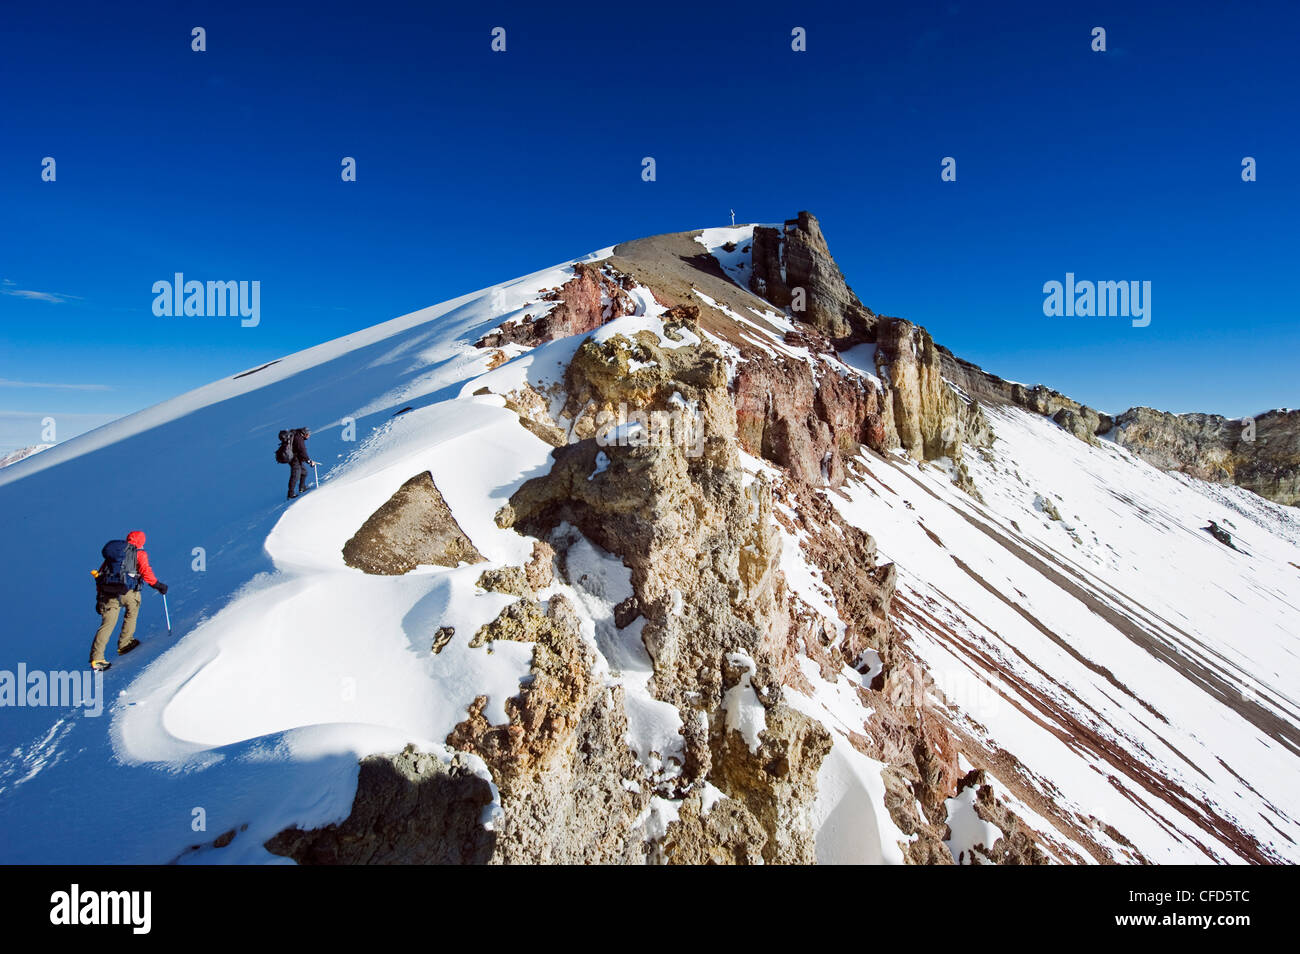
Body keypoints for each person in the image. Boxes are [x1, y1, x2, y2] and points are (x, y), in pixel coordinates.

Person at [89, 530, 168, 671]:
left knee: (107, 624)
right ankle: (125, 643)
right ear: (141, 541)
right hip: (128, 592)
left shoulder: (114, 555)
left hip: (108, 593)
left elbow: (101, 576)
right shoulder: (139, 553)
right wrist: (158, 585)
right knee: (132, 610)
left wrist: (98, 598)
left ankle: (97, 659)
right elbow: (146, 572)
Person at [287, 427, 318, 499]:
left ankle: (302, 488)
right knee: (295, 475)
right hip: (294, 459)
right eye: (308, 434)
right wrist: (309, 461)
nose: (309, 436)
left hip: (296, 458)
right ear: (304, 434)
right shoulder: (299, 439)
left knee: (304, 472)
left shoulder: (298, 435)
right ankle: (290, 494)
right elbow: (302, 452)